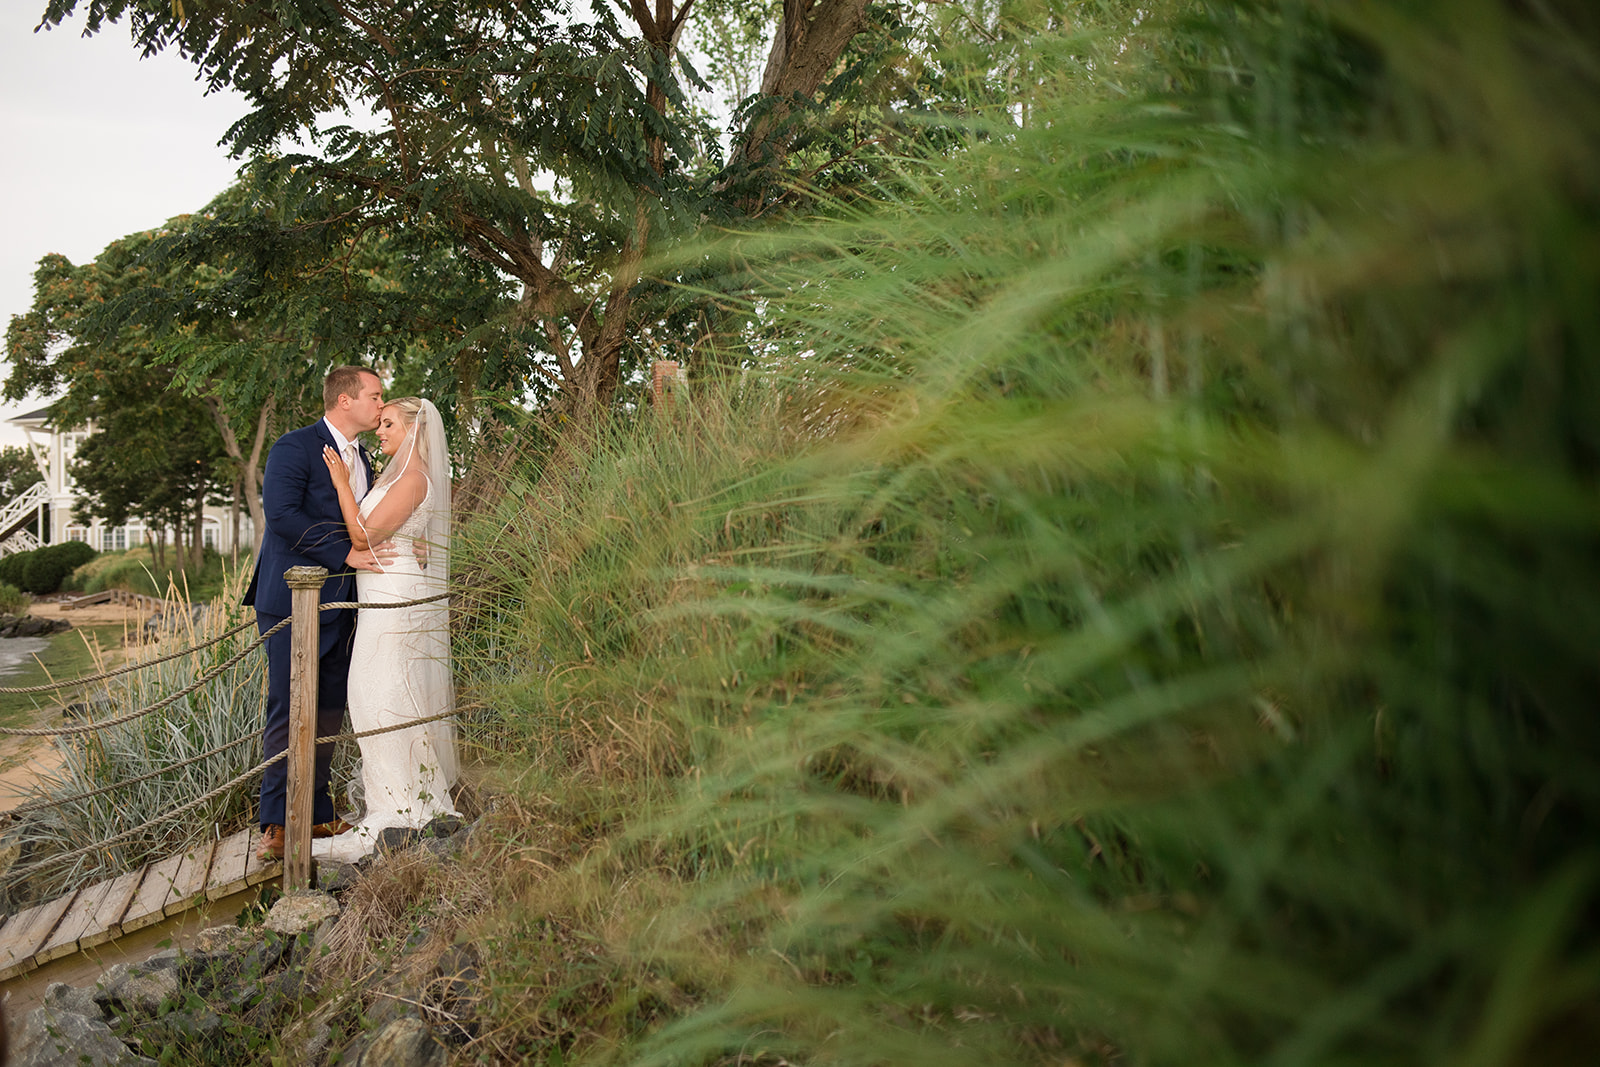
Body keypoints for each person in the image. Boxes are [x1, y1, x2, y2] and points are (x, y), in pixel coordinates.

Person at [246, 366, 397, 862]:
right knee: (290, 708)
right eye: (375, 396)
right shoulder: (294, 447)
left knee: (329, 708)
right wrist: (344, 554)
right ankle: (274, 823)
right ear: (344, 401)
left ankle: (316, 812)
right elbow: (283, 515)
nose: (381, 404)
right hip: (292, 601)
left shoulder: (364, 459)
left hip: (344, 603)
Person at [312, 396, 460, 863]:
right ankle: (399, 808)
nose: (381, 429)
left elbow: (362, 536)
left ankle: (403, 814)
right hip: (380, 600)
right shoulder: (396, 476)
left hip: (394, 604)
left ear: (415, 430)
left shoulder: (414, 478)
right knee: (378, 702)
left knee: (383, 702)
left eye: (390, 423)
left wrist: (340, 482)